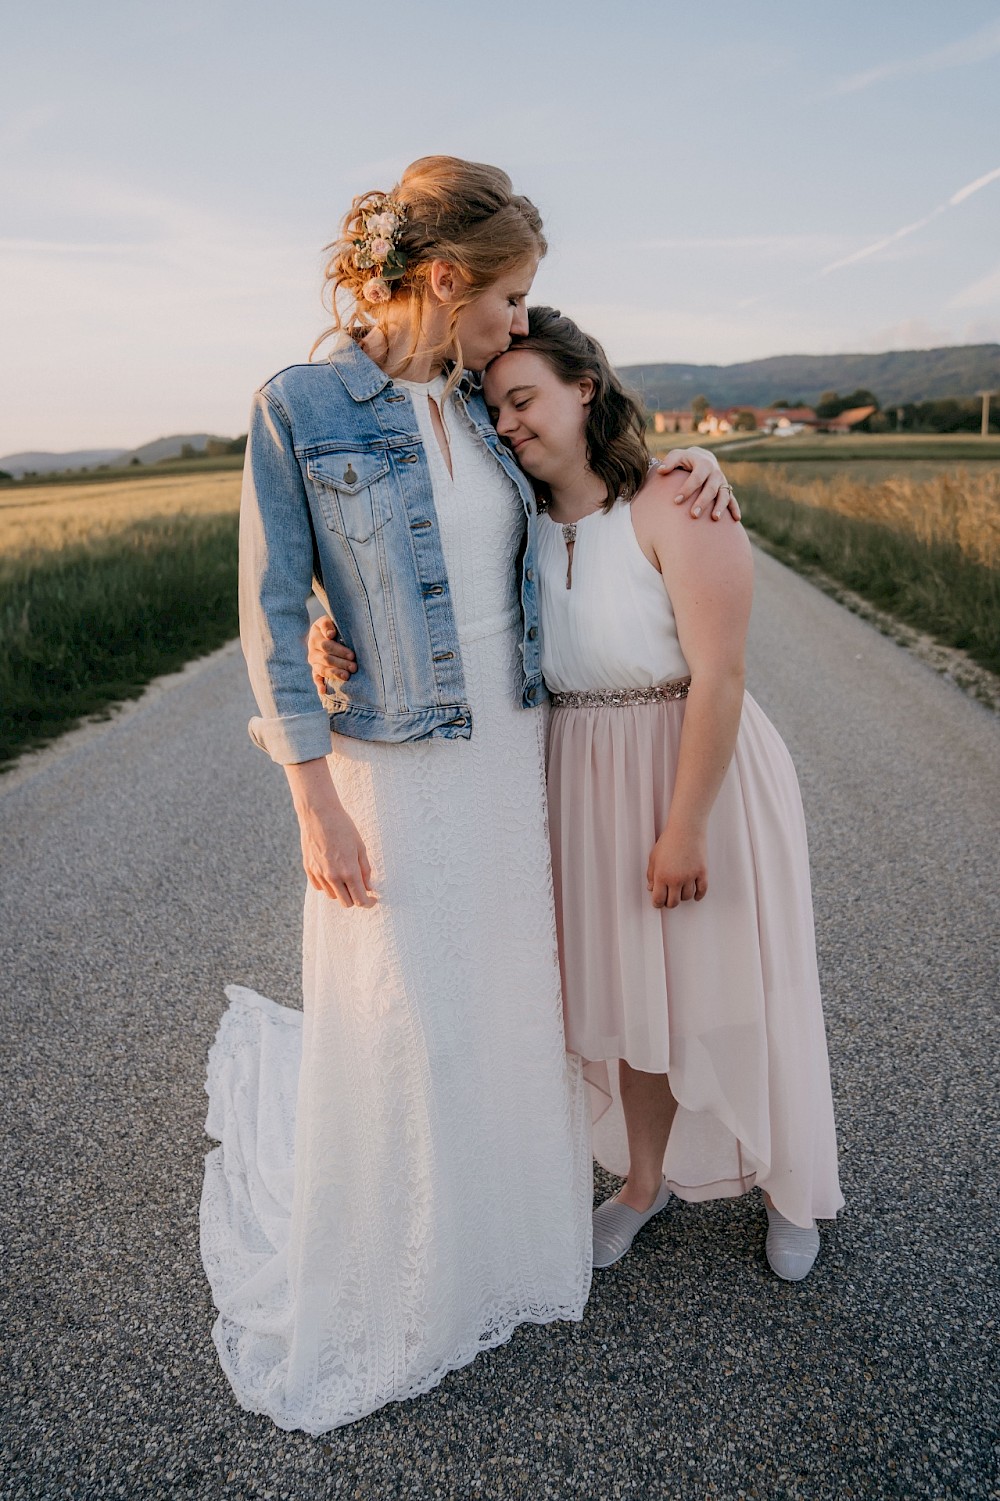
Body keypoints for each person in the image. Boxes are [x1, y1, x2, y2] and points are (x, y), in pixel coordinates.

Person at [201, 158, 737, 1434]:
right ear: (445, 281)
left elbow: (587, 490)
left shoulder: (477, 398)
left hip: (514, 757)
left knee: (505, 995)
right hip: (390, 765)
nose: (517, 323)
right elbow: (273, 616)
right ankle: (406, 1260)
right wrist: (312, 801)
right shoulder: (295, 407)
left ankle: (503, 1236)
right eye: (507, 297)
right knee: (413, 1007)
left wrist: (699, 459)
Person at [481, 308, 844, 1279]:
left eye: (526, 397)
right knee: (636, 1000)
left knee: (738, 986)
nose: (509, 421)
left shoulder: (675, 499)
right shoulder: (503, 520)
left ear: (583, 388)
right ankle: (642, 1184)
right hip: (582, 777)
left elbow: (720, 676)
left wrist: (683, 826)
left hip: (694, 765)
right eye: (494, 407)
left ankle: (790, 1185)